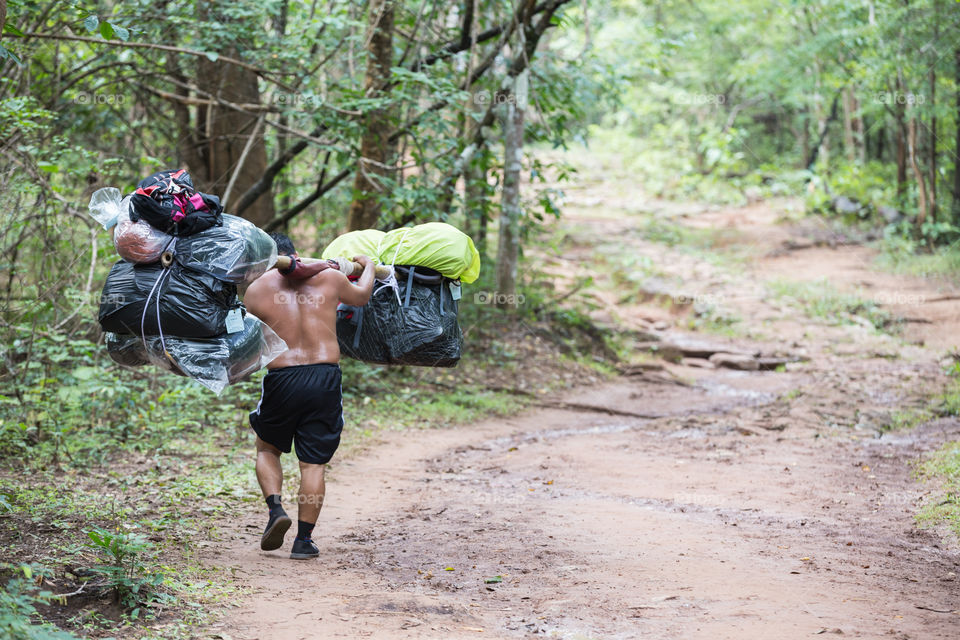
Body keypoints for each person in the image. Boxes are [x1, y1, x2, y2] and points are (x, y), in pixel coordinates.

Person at [243, 232, 375, 559]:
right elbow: (361, 297)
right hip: (324, 377)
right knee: (313, 464)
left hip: (282, 377)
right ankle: (304, 541)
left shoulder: (256, 290)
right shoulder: (330, 276)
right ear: (296, 253)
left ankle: (276, 510)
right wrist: (368, 265)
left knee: (267, 447)